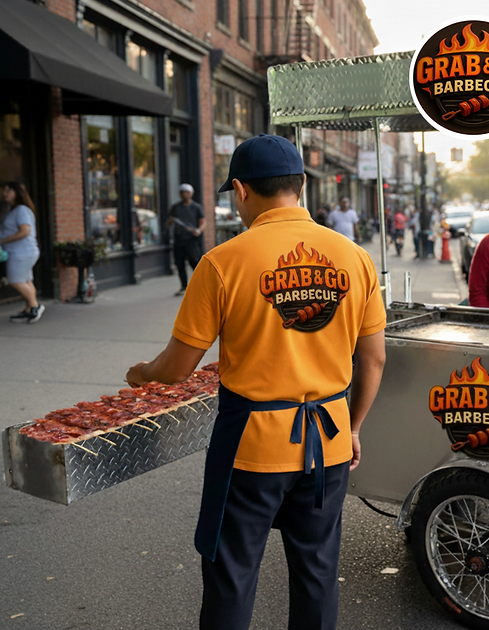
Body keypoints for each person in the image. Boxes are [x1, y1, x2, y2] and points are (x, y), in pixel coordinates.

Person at [125, 134, 386, 630]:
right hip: (327, 444)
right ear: (302, 186)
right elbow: (373, 360)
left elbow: (177, 368)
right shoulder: (355, 257)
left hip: (251, 448)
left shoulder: (223, 262)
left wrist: (141, 375)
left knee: (232, 577)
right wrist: (353, 427)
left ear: (241, 191)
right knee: (317, 575)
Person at [2, 181, 43, 323]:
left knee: (15, 281)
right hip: (22, 252)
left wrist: (2, 241)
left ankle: (34, 307)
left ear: (17, 194)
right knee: (26, 280)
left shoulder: (21, 210)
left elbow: (25, 231)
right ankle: (28, 309)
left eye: (8, 191)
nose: (4, 193)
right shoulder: (13, 209)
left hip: (21, 253)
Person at [168, 183, 206, 296]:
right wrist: (171, 221)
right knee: (179, 264)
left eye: (187, 192)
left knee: (194, 261)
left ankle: (201, 285)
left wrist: (199, 230)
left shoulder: (196, 207)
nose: (184, 194)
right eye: (182, 192)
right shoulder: (175, 207)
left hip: (191, 239)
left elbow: (203, 222)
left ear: (191, 194)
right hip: (179, 239)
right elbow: (169, 221)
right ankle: (184, 286)